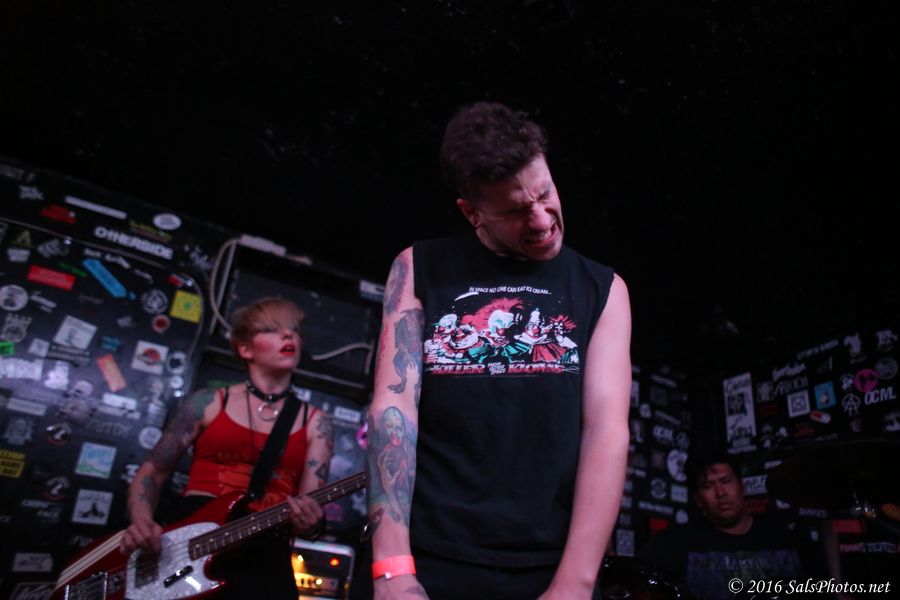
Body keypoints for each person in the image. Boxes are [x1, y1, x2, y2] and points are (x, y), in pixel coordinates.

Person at [366, 101, 632, 600]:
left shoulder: (603, 288)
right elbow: (394, 408)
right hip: (428, 555)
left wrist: (576, 583)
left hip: (549, 564)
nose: (542, 220)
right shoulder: (418, 267)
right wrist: (392, 567)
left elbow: (606, 431)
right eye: (514, 211)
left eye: (545, 193)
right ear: (473, 213)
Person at [120, 297, 333, 599]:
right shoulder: (207, 402)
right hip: (192, 543)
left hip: (266, 552)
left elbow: (310, 507)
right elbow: (152, 473)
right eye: (271, 329)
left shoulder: (316, 422)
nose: (288, 335)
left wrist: (310, 525)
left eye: (294, 330)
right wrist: (142, 522)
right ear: (245, 349)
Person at [640, 454, 826, 600]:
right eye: (708, 485)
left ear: (742, 487)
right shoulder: (674, 544)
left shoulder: (788, 540)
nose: (720, 493)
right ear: (697, 499)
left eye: (725, 481)